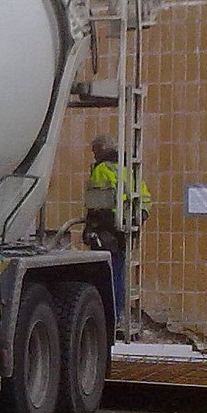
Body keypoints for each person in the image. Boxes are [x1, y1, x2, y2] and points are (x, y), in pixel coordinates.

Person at [82, 133, 151, 316]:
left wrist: (91, 228)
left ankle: (108, 315)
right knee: (118, 274)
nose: (93, 154)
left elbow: (96, 204)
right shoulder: (129, 168)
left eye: (94, 150)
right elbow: (144, 198)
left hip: (106, 229)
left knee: (104, 276)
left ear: (102, 148)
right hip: (125, 228)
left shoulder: (102, 169)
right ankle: (118, 314)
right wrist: (138, 217)